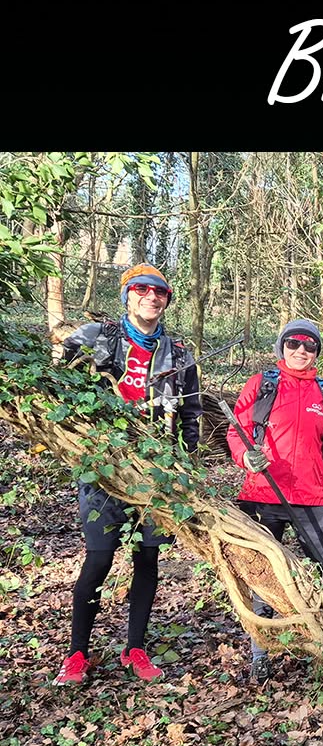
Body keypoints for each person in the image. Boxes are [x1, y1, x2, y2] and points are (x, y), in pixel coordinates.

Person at [54, 264, 201, 685]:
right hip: (104, 471)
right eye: (142, 290)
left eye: (160, 292)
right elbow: (61, 387)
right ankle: (77, 654)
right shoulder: (96, 338)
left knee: (147, 560)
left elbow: (190, 414)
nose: (151, 297)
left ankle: (135, 647)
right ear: (127, 295)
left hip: (157, 473)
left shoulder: (178, 353)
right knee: (98, 560)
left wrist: (185, 463)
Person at [227, 318, 323, 682]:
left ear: (317, 353)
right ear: (281, 346)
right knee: (263, 577)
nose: (301, 351)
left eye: (309, 346)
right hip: (262, 494)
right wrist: (245, 456)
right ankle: (260, 654)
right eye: (294, 343)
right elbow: (238, 429)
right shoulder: (262, 385)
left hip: (312, 497)